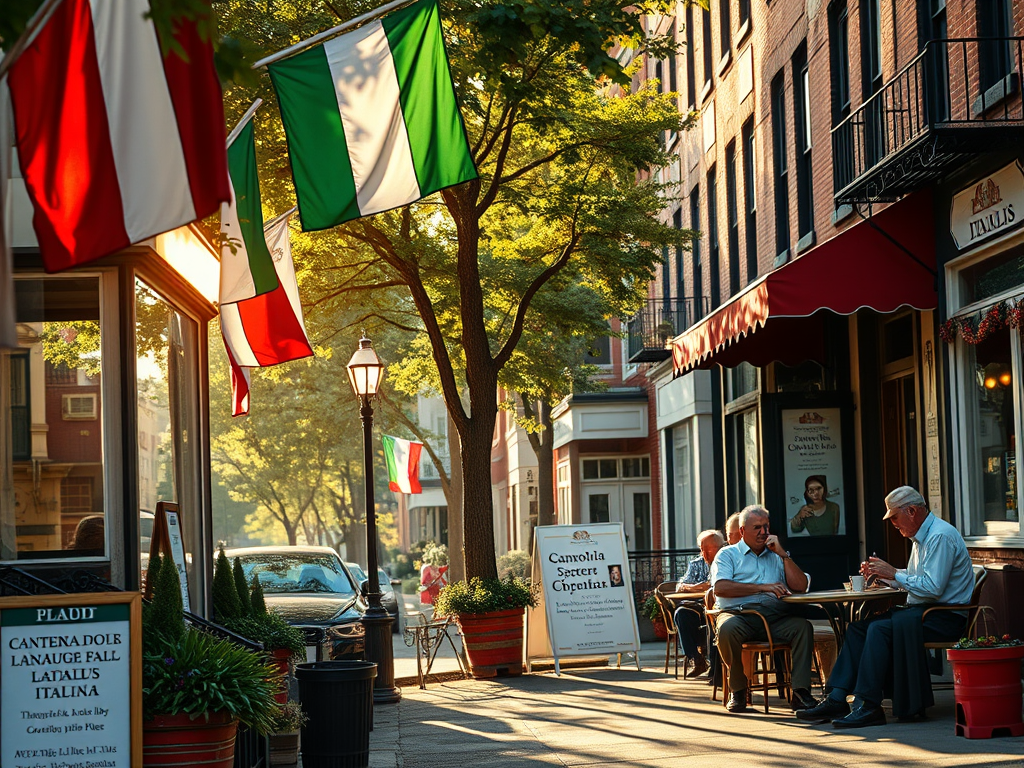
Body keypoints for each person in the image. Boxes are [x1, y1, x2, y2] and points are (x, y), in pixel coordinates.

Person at [797, 486, 974, 728]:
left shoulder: (938, 536)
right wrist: (886, 576)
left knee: (879, 629)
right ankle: (837, 697)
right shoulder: (923, 536)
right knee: (858, 628)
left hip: (944, 617)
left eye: (894, 517)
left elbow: (933, 588)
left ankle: (868, 705)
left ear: (911, 511)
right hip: (923, 612)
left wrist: (894, 574)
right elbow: (918, 578)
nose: (893, 524)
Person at [711, 505, 816, 713]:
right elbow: (721, 588)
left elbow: (801, 586)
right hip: (739, 615)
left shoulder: (776, 555)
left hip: (775, 618)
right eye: (757, 527)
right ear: (742, 531)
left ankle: (800, 692)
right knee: (726, 629)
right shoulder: (727, 555)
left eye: (766, 527)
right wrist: (762, 587)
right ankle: (739, 690)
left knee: (803, 627)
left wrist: (784, 555)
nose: (763, 532)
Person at [673, 530, 725, 678]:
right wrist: (698, 587)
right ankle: (696, 658)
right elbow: (680, 585)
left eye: (707, 548)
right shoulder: (696, 563)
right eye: (701, 548)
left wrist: (707, 586)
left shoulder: (726, 560)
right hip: (697, 606)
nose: (704, 553)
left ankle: (716, 670)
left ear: (719, 547)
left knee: (713, 620)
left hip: (718, 607)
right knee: (681, 614)